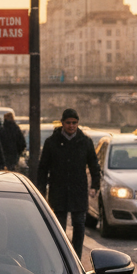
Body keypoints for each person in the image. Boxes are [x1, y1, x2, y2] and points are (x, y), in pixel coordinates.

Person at [37, 107, 100, 259]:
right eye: (68, 123)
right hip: (58, 191)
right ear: (62, 123)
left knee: (79, 226)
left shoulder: (85, 142)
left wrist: (95, 185)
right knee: (59, 228)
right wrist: (41, 191)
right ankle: (60, 258)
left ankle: (76, 258)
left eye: (74, 123)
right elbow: (43, 168)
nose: (71, 126)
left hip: (78, 191)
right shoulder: (52, 142)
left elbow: (93, 164)